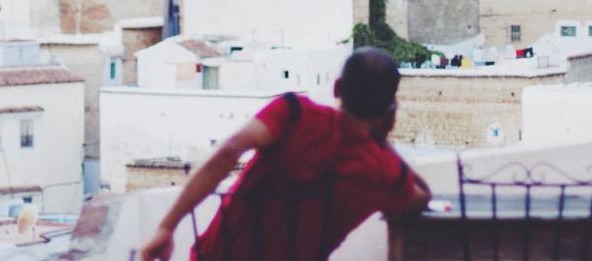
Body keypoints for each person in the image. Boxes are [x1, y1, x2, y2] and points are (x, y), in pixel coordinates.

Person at [139, 47, 432, 261]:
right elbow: (421, 196)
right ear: (388, 110)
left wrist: (167, 226)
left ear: (337, 88)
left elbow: (229, 150)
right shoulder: (382, 171)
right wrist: (382, 140)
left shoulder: (294, 114)